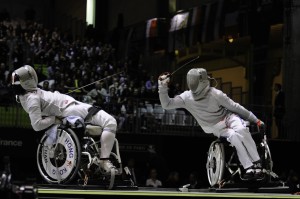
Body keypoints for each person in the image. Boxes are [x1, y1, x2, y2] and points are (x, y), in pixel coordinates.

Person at [158, 68, 265, 180]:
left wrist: (256, 120)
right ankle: (249, 167)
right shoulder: (186, 97)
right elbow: (167, 104)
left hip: (228, 117)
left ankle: (257, 162)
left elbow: (235, 107)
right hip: (215, 127)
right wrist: (162, 87)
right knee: (234, 137)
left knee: (242, 130)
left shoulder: (215, 94)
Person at [10, 65, 118, 174]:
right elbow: (36, 125)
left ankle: (98, 147)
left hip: (71, 105)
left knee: (105, 121)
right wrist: (54, 118)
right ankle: (104, 160)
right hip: (69, 109)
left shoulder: (26, 95)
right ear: (28, 82)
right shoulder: (32, 99)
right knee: (110, 121)